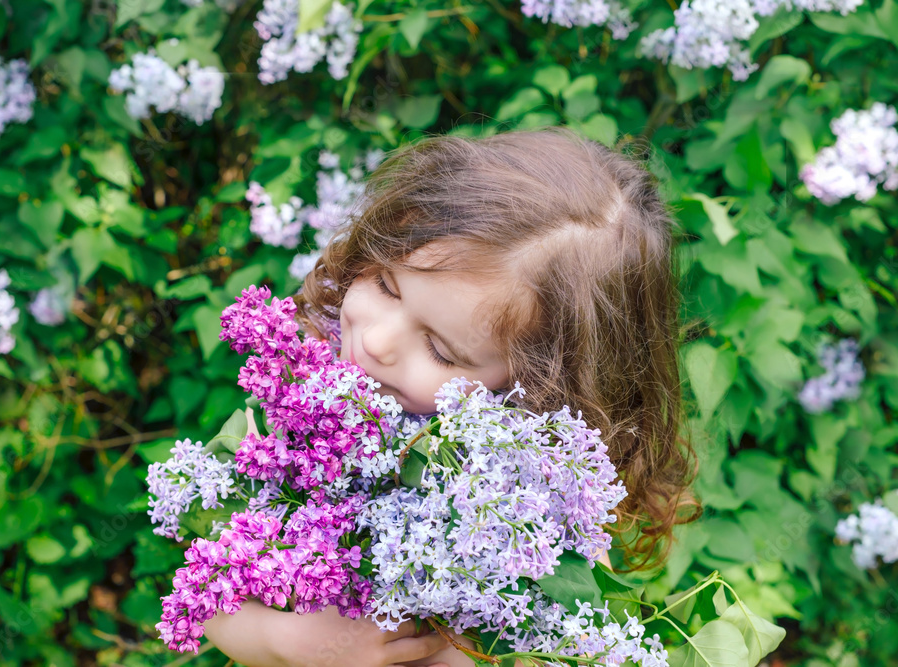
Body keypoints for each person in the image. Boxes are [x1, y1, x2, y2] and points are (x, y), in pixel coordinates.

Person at [202, 125, 701, 667]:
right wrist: (290, 644)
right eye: (387, 286)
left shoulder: (535, 523)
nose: (374, 341)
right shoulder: (304, 403)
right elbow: (209, 596)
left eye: (440, 350)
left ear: (535, 390)